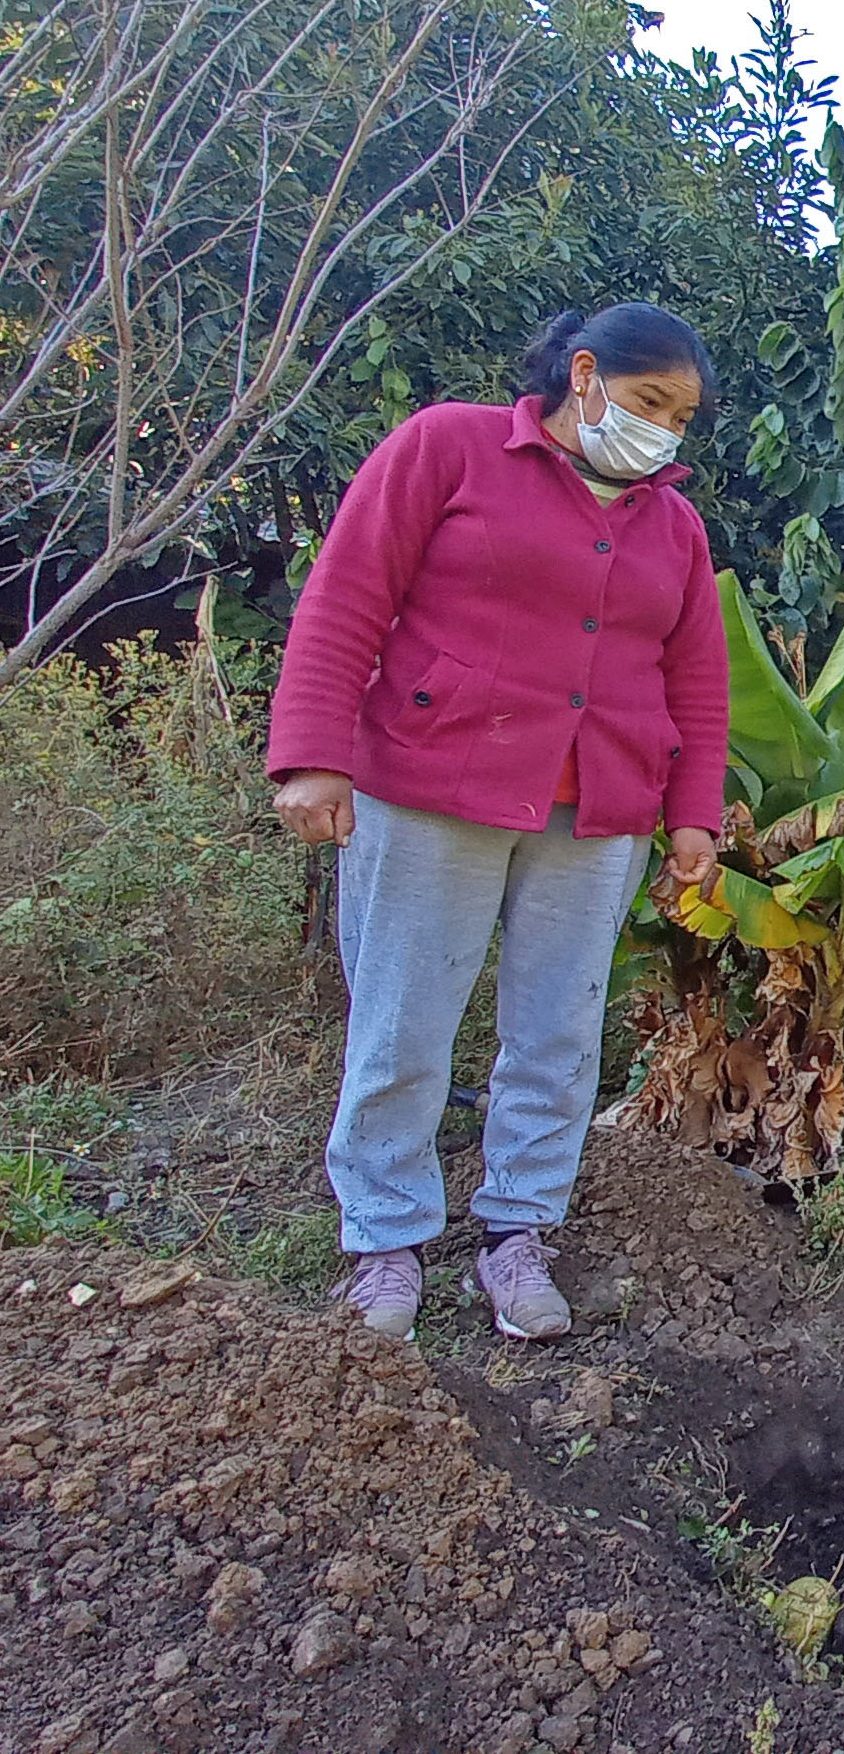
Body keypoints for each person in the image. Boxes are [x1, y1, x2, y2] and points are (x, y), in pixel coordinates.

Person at [267, 303, 731, 1343]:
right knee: (402, 1021)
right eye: (649, 401)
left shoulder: (674, 527)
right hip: (435, 785)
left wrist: (691, 816)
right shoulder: (450, 446)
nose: (663, 429)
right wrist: (311, 755)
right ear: (583, 374)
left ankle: (516, 1233)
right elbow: (346, 596)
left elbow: (696, 679)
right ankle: (384, 1243)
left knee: (559, 1034)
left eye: (682, 416)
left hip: (598, 807)